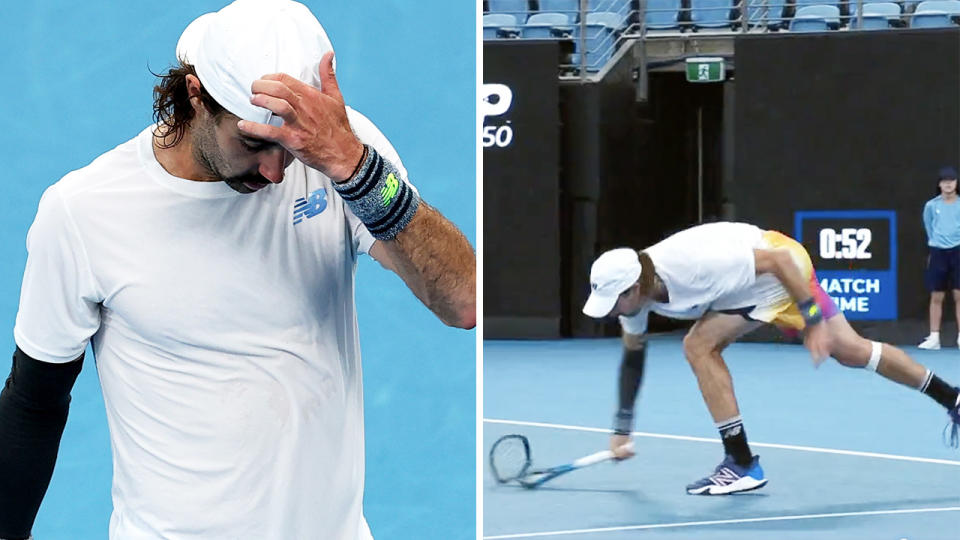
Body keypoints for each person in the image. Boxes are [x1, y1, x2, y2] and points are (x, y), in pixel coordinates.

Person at [0, 1, 475, 539]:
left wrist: (352, 167)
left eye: (290, 149)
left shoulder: (338, 153)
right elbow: (34, 405)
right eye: (253, 144)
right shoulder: (82, 212)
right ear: (196, 96)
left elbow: (462, 299)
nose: (276, 172)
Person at [582, 221, 960, 496]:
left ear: (635, 287)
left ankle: (741, 462)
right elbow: (633, 359)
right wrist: (621, 429)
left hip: (781, 266)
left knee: (698, 346)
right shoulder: (635, 298)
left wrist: (812, 321)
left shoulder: (693, 265)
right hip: (746, 290)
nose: (613, 312)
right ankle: (952, 397)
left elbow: (778, 261)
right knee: (853, 351)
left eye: (615, 302)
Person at [919, 166, 960, 350]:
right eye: (945, 181)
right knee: (936, 296)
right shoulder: (931, 206)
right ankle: (934, 338)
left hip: (958, 251)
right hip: (938, 253)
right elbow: (929, 226)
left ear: (956, 183)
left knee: (959, 295)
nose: (948, 184)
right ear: (940, 184)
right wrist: (935, 244)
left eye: (951, 181)